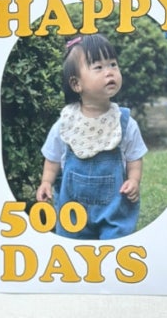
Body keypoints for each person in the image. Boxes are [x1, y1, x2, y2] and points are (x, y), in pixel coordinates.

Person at [35, 34, 147, 240]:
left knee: (114, 247)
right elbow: (52, 159)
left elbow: (134, 157)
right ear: (76, 84)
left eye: (113, 64)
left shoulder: (124, 123)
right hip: (73, 212)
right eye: (98, 67)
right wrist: (46, 182)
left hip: (114, 210)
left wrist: (134, 179)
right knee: (74, 248)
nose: (109, 72)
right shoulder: (65, 124)